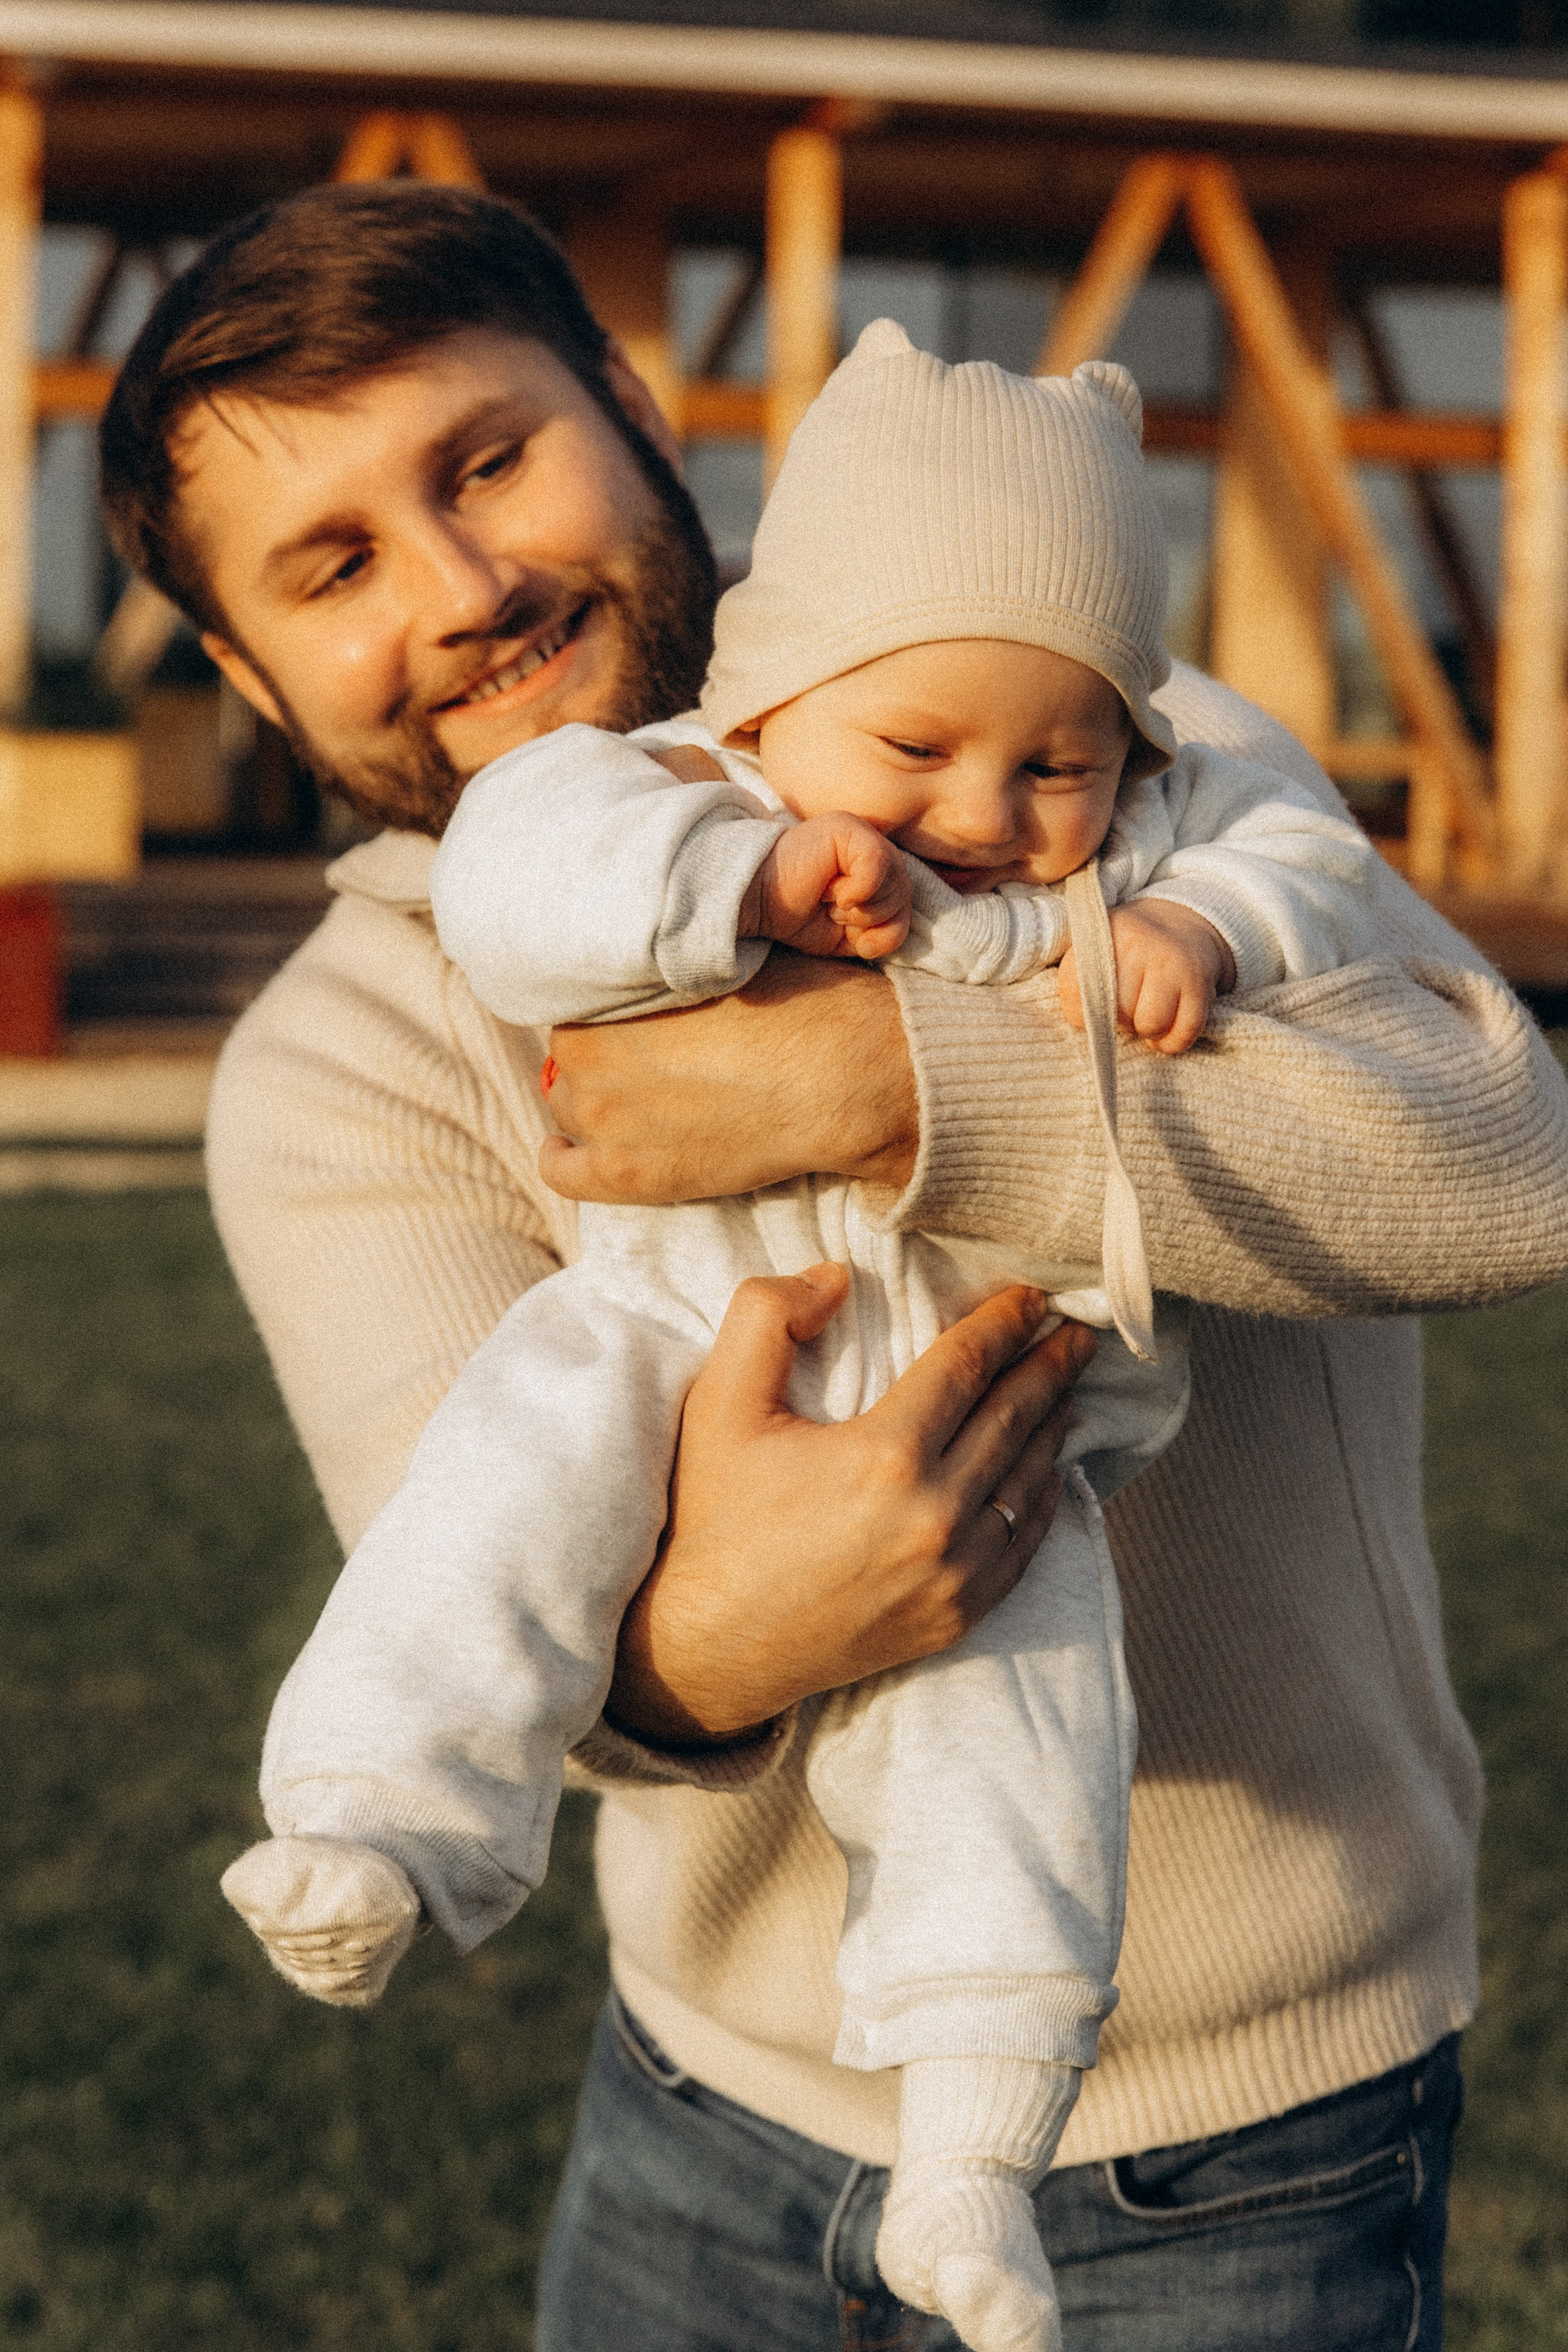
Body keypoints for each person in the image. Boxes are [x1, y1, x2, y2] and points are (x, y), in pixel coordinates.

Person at [98, 182, 1568, 2351]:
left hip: (1252, 2127)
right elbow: (513, 1594)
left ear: (629, 400)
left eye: (489, 460)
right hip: (706, 2116)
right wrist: (741, 1615)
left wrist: (893, 1077)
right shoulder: (336, 1061)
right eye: (332, 567)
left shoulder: (1084, 731)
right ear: (240, 668)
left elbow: (1505, 1168)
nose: (466, 586)